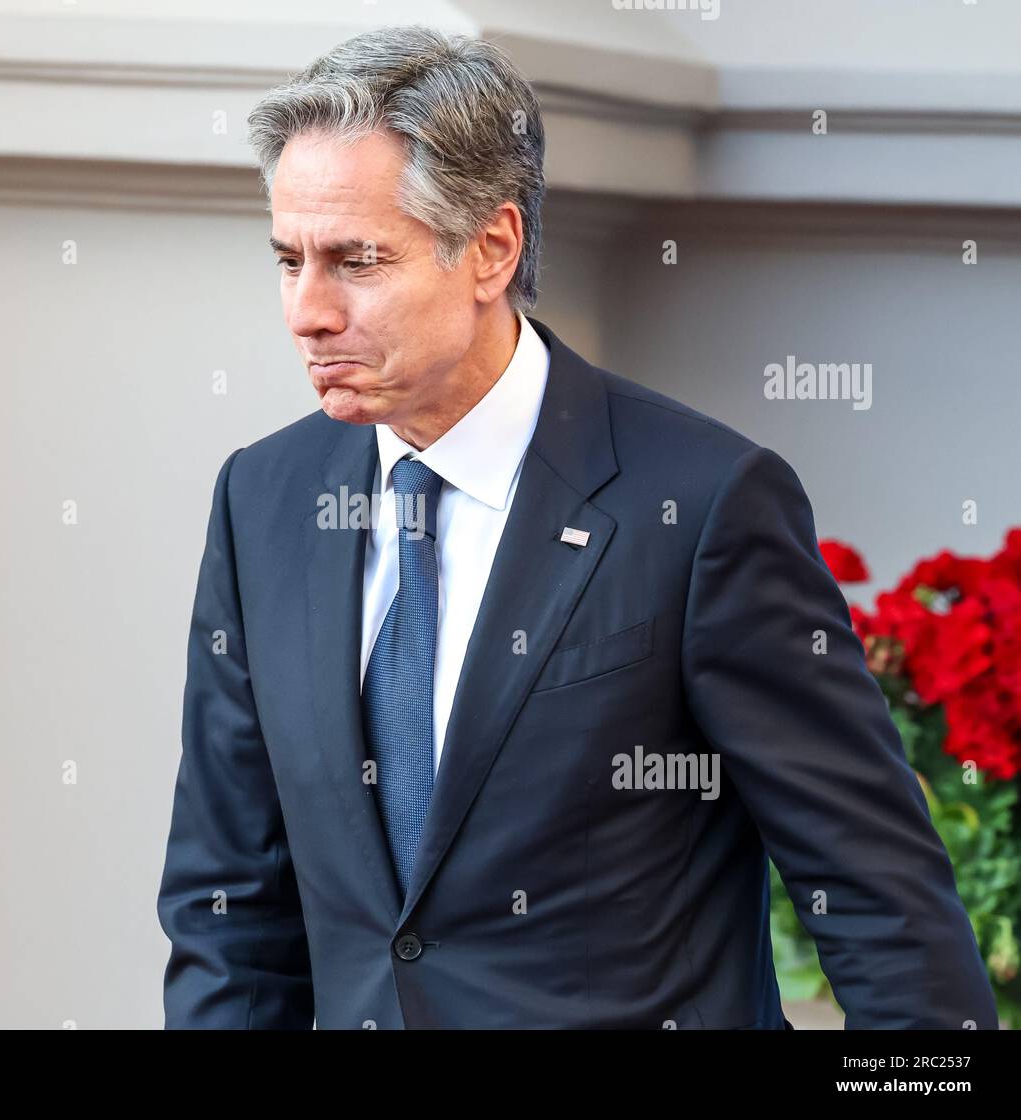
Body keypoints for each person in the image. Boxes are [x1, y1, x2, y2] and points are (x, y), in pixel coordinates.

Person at [156, 25, 997, 1029]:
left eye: (354, 261)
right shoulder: (263, 499)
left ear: (490, 250)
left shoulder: (702, 504)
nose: (306, 309)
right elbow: (229, 915)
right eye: (288, 259)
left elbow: (879, 900)